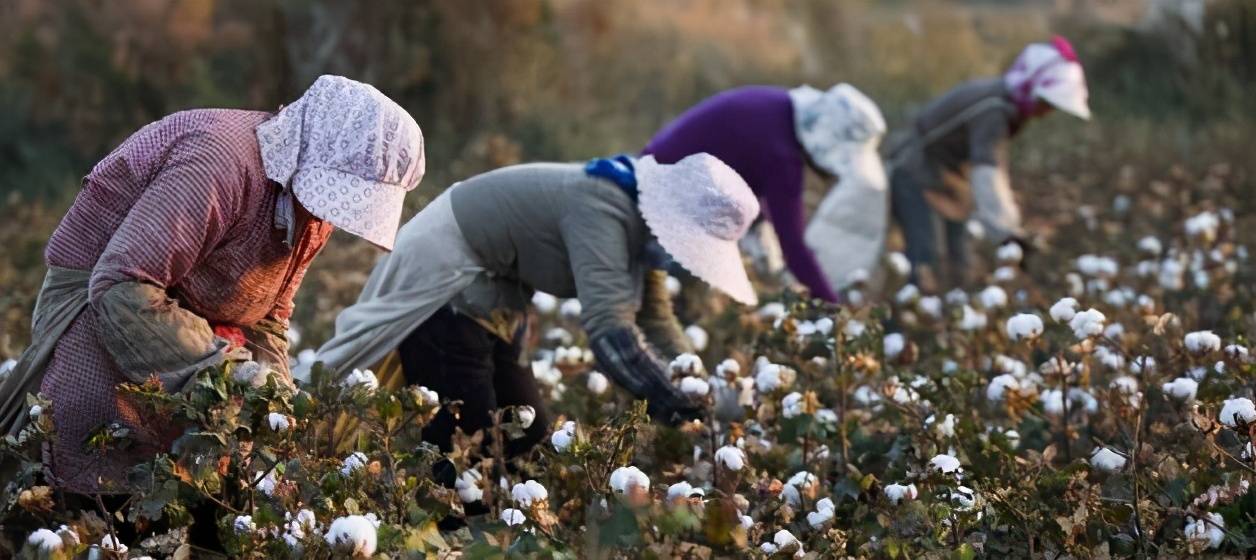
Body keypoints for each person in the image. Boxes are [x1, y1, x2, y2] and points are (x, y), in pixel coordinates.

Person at [0, 75, 426, 493]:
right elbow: (121, 286)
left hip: (187, 321)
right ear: (312, 149)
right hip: (101, 308)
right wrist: (226, 372)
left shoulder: (309, 208)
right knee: (95, 468)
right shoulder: (218, 162)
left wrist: (276, 399)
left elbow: (272, 316)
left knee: (204, 482)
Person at [307, 152, 760, 456]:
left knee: (529, 437)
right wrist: (683, 408)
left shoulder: (646, 223)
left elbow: (657, 321)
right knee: (473, 442)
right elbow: (611, 333)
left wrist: (701, 387)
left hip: (498, 296)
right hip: (448, 281)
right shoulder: (605, 206)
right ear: (673, 219)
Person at [643, 83, 887, 303]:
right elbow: (794, 247)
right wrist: (830, 305)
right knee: (685, 294)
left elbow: (741, 171)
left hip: (655, 171)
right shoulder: (782, 155)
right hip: (664, 200)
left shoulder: (777, 106)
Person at [887, 36, 1091, 289]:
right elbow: (988, 172)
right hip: (916, 174)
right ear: (1030, 88)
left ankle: (951, 315)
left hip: (948, 182)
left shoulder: (1001, 101)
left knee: (958, 262)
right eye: (1046, 103)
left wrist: (1008, 226)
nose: (1046, 112)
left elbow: (992, 168)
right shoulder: (993, 109)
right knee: (927, 257)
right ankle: (911, 320)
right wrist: (1008, 234)